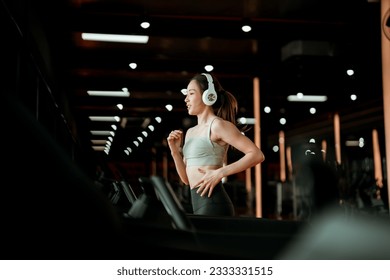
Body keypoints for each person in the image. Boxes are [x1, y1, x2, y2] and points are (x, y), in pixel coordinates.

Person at [167, 73, 265, 216]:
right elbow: (187, 180)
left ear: (208, 95)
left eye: (191, 93)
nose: (186, 99)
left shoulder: (218, 125)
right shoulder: (190, 132)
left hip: (214, 203)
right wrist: (175, 152)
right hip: (197, 203)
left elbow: (257, 155)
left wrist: (220, 173)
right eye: (186, 94)